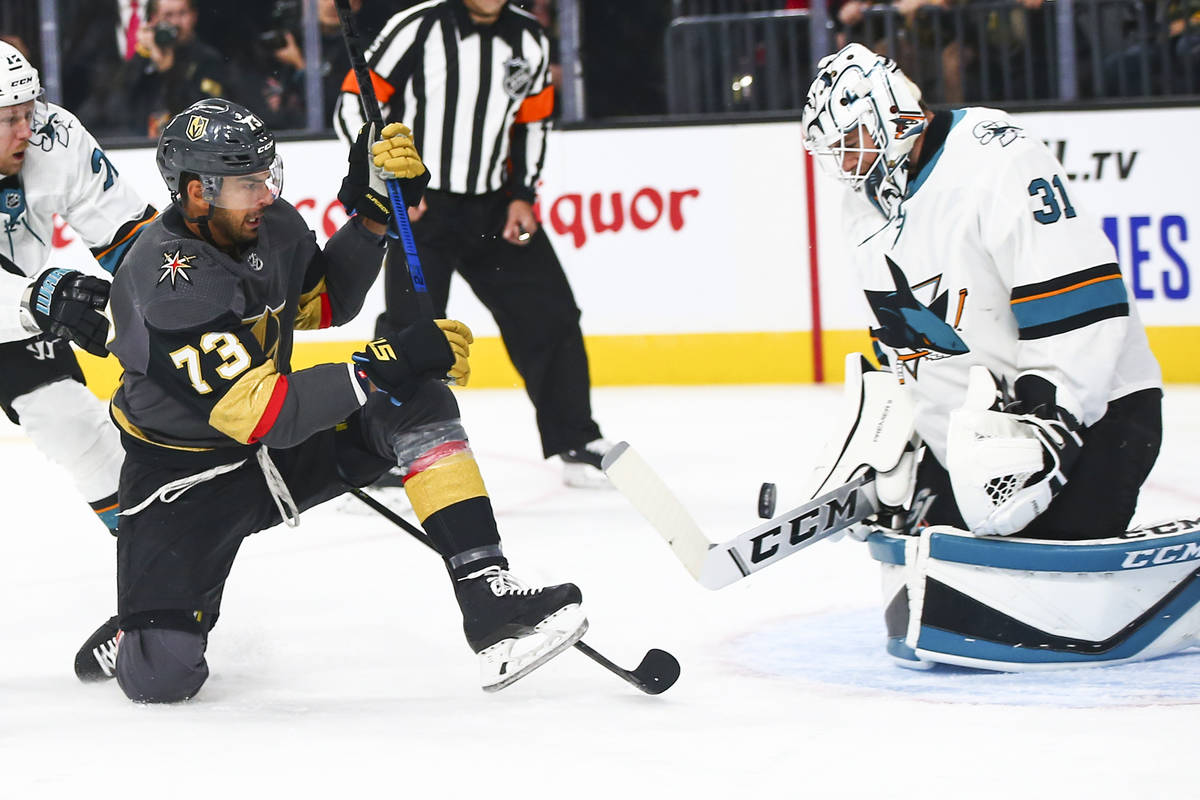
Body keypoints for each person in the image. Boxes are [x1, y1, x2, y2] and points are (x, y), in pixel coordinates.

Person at [79, 98, 586, 703]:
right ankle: (144, 626)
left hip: (272, 455)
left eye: (268, 175)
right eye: (248, 183)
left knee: (415, 399)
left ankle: (486, 597)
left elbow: (323, 303)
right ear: (195, 192)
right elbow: (265, 410)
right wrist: (386, 359)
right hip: (182, 482)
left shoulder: (274, 226)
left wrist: (372, 220)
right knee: (163, 679)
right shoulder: (166, 279)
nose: (266, 193)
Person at [800, 43, 1162, 543]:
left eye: (852, 139)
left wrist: (1049, 418)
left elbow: (1079, 297)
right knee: (941, 562)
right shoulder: (861, 205)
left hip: (1094, 416)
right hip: (982, 446)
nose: (845, 160)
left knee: (1047, 571)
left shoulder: (996, 158)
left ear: (892, 114)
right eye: (834, 149)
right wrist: (904, 442)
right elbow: (904, 336)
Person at [333, 0, 613, 489]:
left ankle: (574, 438)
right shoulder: (417, 27)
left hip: (494, 205)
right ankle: (380, 456)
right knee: (407, 332)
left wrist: (523, 194)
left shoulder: (530, 38)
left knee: (549, 316)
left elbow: (533, 120)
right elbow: (354, 101)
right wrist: (386, 175)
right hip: (421, 204)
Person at [117, 0, 231, 138]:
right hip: (137, 143)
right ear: (154, 19)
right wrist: (142, 54)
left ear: (193, 16)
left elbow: (207, 113)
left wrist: (169, 72)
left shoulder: (208, 59)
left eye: (182, 13)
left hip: (186, 144)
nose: (176, 22)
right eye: (168, 15)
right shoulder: (145, 56)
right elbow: (117, 104)